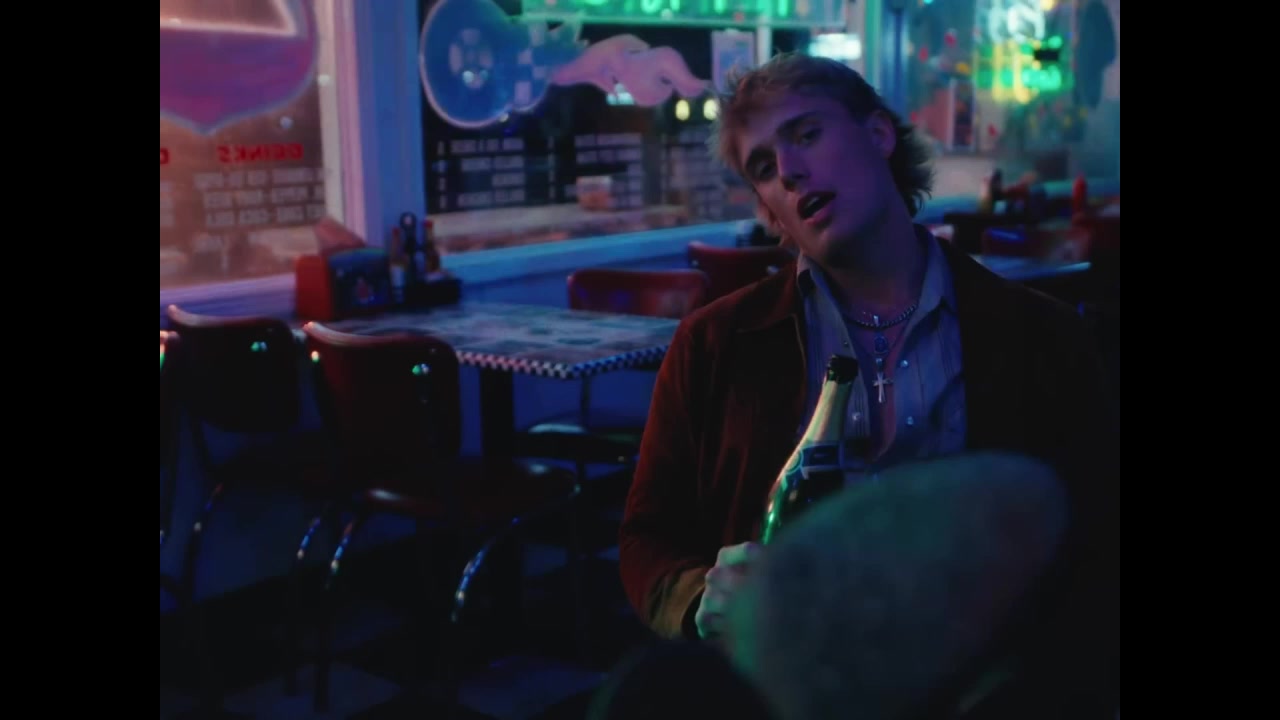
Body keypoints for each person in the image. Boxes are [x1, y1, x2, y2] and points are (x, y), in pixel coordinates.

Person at [618, 50, 1117, 668]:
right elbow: (647, 538)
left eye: (806, 134)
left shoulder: (1042, 336)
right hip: (783, 681)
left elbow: (1098, 547)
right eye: (764, 167)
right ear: (769, 210)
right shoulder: (713, 344)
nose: (789, 171)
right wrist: (700, 598)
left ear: (879, 134)